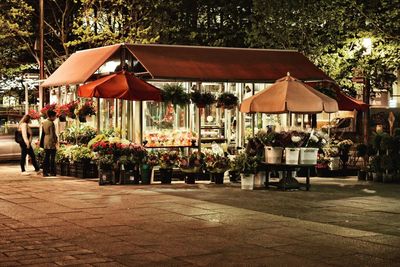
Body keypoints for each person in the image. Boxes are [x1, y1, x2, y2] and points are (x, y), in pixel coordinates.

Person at [42, 110, 58, 177]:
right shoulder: (51, 123)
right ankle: (52, 172)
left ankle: (45, 172)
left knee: (46, 157)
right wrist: (54, 142)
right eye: (55, 116)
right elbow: (52, 134)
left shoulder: (44, 122)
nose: (55, 118)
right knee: (52, 157)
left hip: (45, 140)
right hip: (50, 141)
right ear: (51, 116)